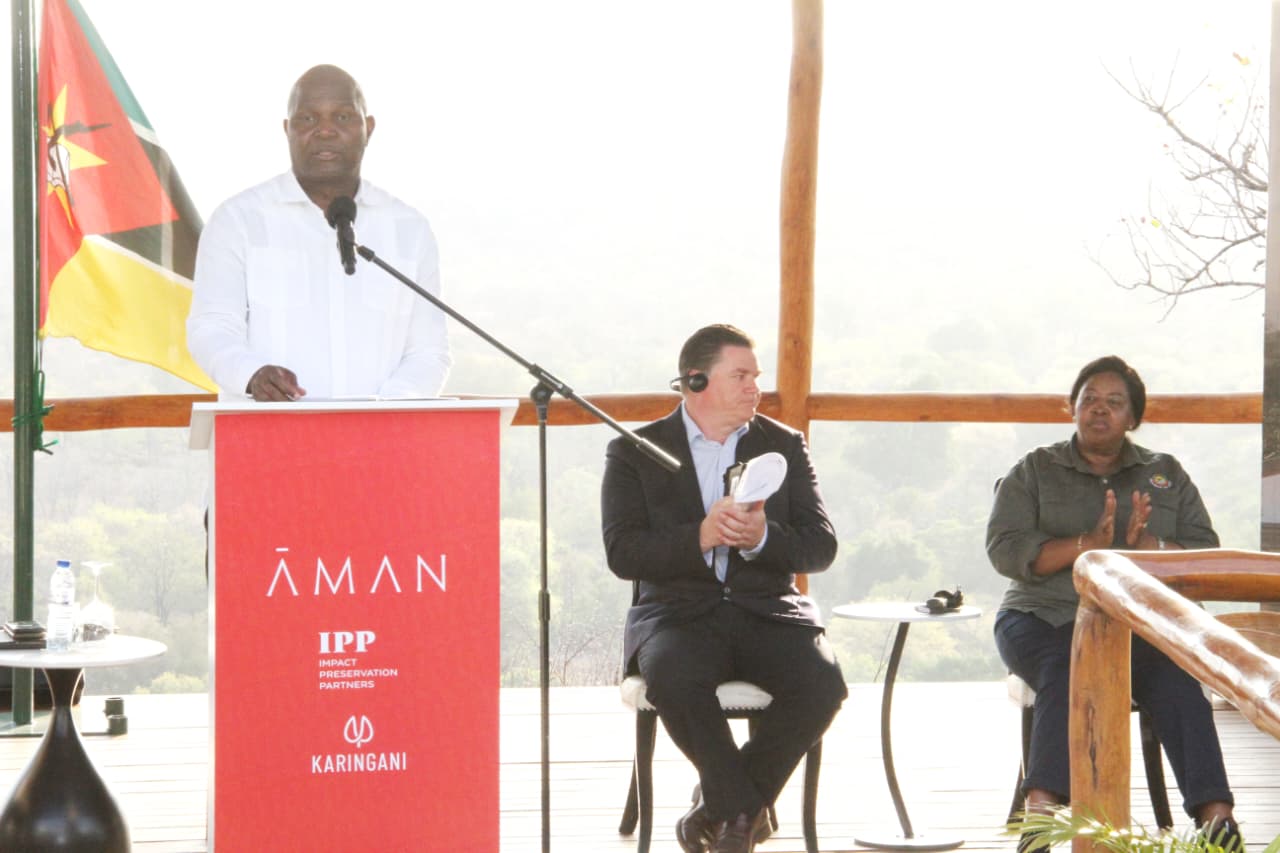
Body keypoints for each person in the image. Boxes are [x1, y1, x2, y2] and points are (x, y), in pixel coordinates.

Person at [601, 324, 847, 853]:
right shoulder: (634, 451)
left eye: (756, 376)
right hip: (678, 616)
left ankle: (721, 810)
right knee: (673, 677)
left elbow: (821, 547)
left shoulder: (784, 445)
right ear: (695, 380)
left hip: (768, 612)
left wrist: (763, 538)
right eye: (740, 376)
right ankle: (742, 817)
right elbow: (623, 554)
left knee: (823, 684)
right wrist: (701, 536)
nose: (755, 387)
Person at [987, 355, 1241, 847]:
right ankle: (1040, 824)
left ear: (1133, 417)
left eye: (1114, 402)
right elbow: (1006, 550)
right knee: (1068, 667)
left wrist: (1148, 547)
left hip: (1142, 624)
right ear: (1073, 408)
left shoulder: (1165, 473)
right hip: (1041, 615)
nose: (1099, 410)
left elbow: (1203, 556)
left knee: (1178, 679)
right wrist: (1087, 545)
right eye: (1090, 400)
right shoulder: (1035, 469)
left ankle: (1218, 821)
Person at [187, 64, 451, 400]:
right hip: (267, 428)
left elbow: (428, 353)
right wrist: (251, 375)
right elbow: (211, 328)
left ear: (368, 128)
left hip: (381, 432)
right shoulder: (237, 220)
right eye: (308, 118)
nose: (325, 130)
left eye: (343, 117)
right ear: (288, 130)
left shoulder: (409, 229)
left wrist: (381, 413)